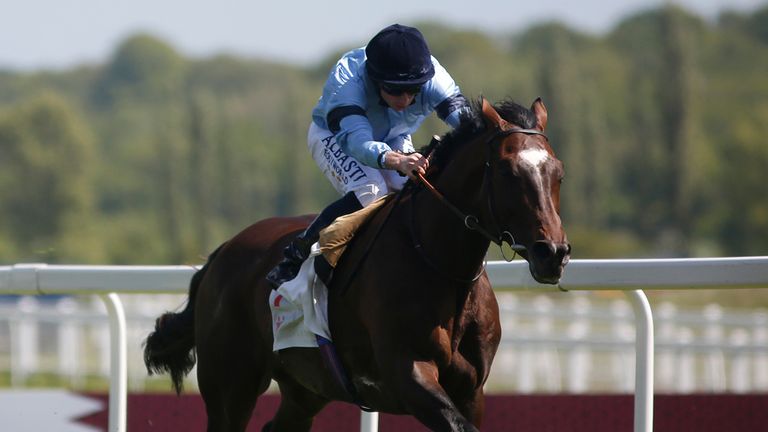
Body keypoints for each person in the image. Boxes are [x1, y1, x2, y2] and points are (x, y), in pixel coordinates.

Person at [266, 23, 471, 289]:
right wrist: (398, 160)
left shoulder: (434, 77)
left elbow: (469, 123)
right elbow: (358, 143)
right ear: (375, 80)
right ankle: (296, 253)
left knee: (413, 192)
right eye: (395, 90)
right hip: (336, 136)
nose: (405, 99)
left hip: (393, 136)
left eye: (414, 90)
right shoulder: (348, 83)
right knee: (371, 190)